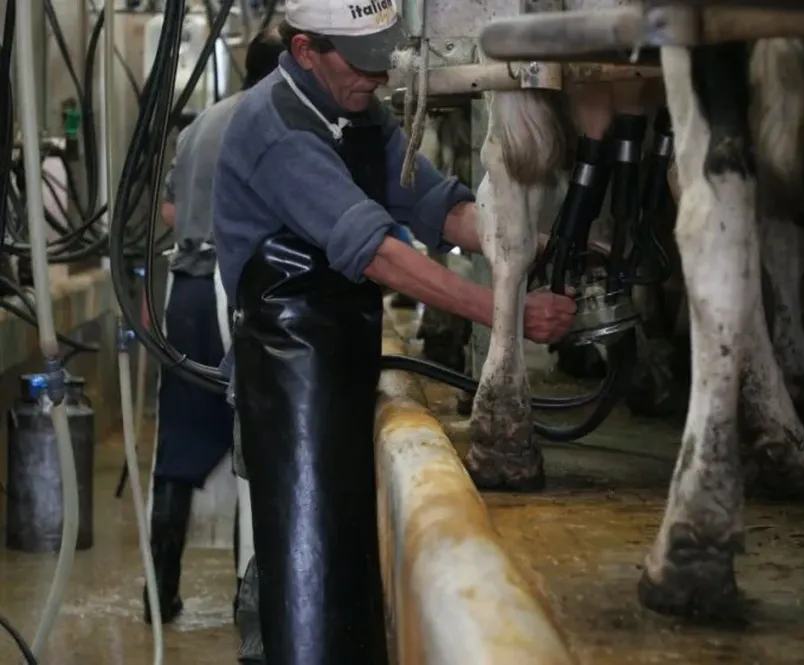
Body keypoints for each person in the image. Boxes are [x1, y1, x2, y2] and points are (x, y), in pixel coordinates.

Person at [210, 0, 578, 662]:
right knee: (302, 576)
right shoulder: (278, 127)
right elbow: (377, 251)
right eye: (364, 64)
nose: (380, 78)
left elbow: (439, 207)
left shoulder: (359, 112)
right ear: (305, 53)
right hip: (285, 376)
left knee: (341, 562)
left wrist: (532, 244)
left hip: (339, 361)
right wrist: (504, 310)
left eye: (386, 60)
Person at [146, 27, 284, 626]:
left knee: (178, 440)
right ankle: (248, 605)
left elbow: (169, 207)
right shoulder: (268, 122)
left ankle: (160, 598)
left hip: (187, 296)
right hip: (237, 298)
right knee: (253, 446)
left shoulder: (199, 124)